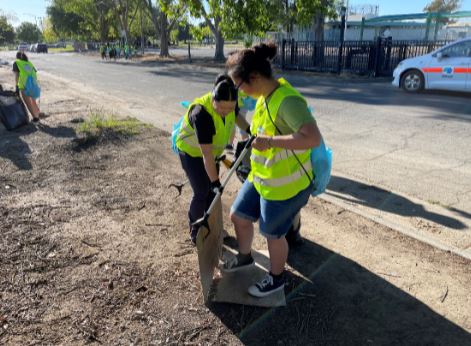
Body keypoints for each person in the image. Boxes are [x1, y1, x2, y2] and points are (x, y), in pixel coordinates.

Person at [223, 43, 322, 298]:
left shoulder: (287, 101)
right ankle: (245, 258)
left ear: (253, 77)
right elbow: (262, 133)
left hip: (284, 186)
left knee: (272, 234)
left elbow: (312, 138)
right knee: (239, 216)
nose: (239, 91)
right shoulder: (264, 97)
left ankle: (276, 279)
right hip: (262, 177)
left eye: (239, 85)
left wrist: (269, 143)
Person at [175, 74, 251, 244]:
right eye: (222, 108)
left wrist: (249, 129)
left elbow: (236, 116)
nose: (226, 112)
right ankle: (196, 230)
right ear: (214, 99)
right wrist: (215, 182)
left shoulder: (230, 104)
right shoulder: (201, 114)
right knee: (203, 190)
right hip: (190, 152)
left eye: (230, 108)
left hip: (212, 154)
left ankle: (212, 227)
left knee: (213, 194)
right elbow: (206, 155)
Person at [13, 51, 41, 122]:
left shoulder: (17, 63)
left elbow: (17, 76)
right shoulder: (29, 63)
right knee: (33, 101)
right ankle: (37, 114)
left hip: (24, 86)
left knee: (28, 104)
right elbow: (34, 73)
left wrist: (17, 87)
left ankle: (35, 119)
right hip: (34, 85)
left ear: (17, 57)